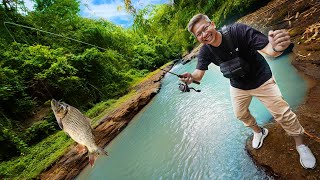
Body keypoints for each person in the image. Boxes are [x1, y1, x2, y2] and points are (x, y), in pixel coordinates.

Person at [180, 14, 316, 169]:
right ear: (197, 38)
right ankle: (259, 132)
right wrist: (190, 77)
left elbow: (270, 50)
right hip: (238, 85)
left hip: (261, 79)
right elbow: (198, 75)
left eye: (205, 28)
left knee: (283, 114)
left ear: (213, 24)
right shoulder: (205, 51)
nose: (204, 34)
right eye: (199, 33)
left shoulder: (238, 31)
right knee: (240, 114)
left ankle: (301, 145)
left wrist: (277, 47)